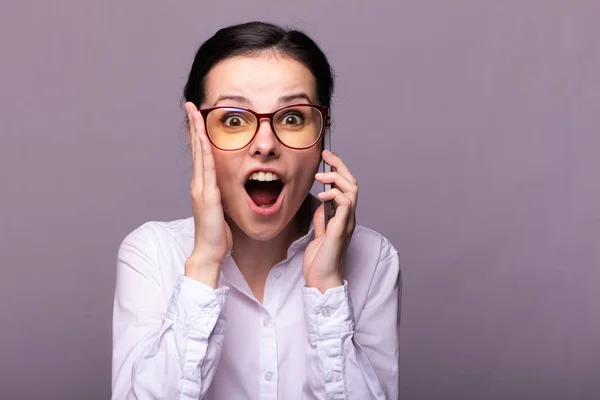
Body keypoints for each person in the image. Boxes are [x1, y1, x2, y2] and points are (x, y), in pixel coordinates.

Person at [111, 21, 401, 400]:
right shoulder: (151, 254)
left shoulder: (374, 259)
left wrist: (327, 287)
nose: (265, 144)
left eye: (293, 118)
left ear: (323, 131)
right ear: (195, 135)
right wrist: (203, 265)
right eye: (234, 120)